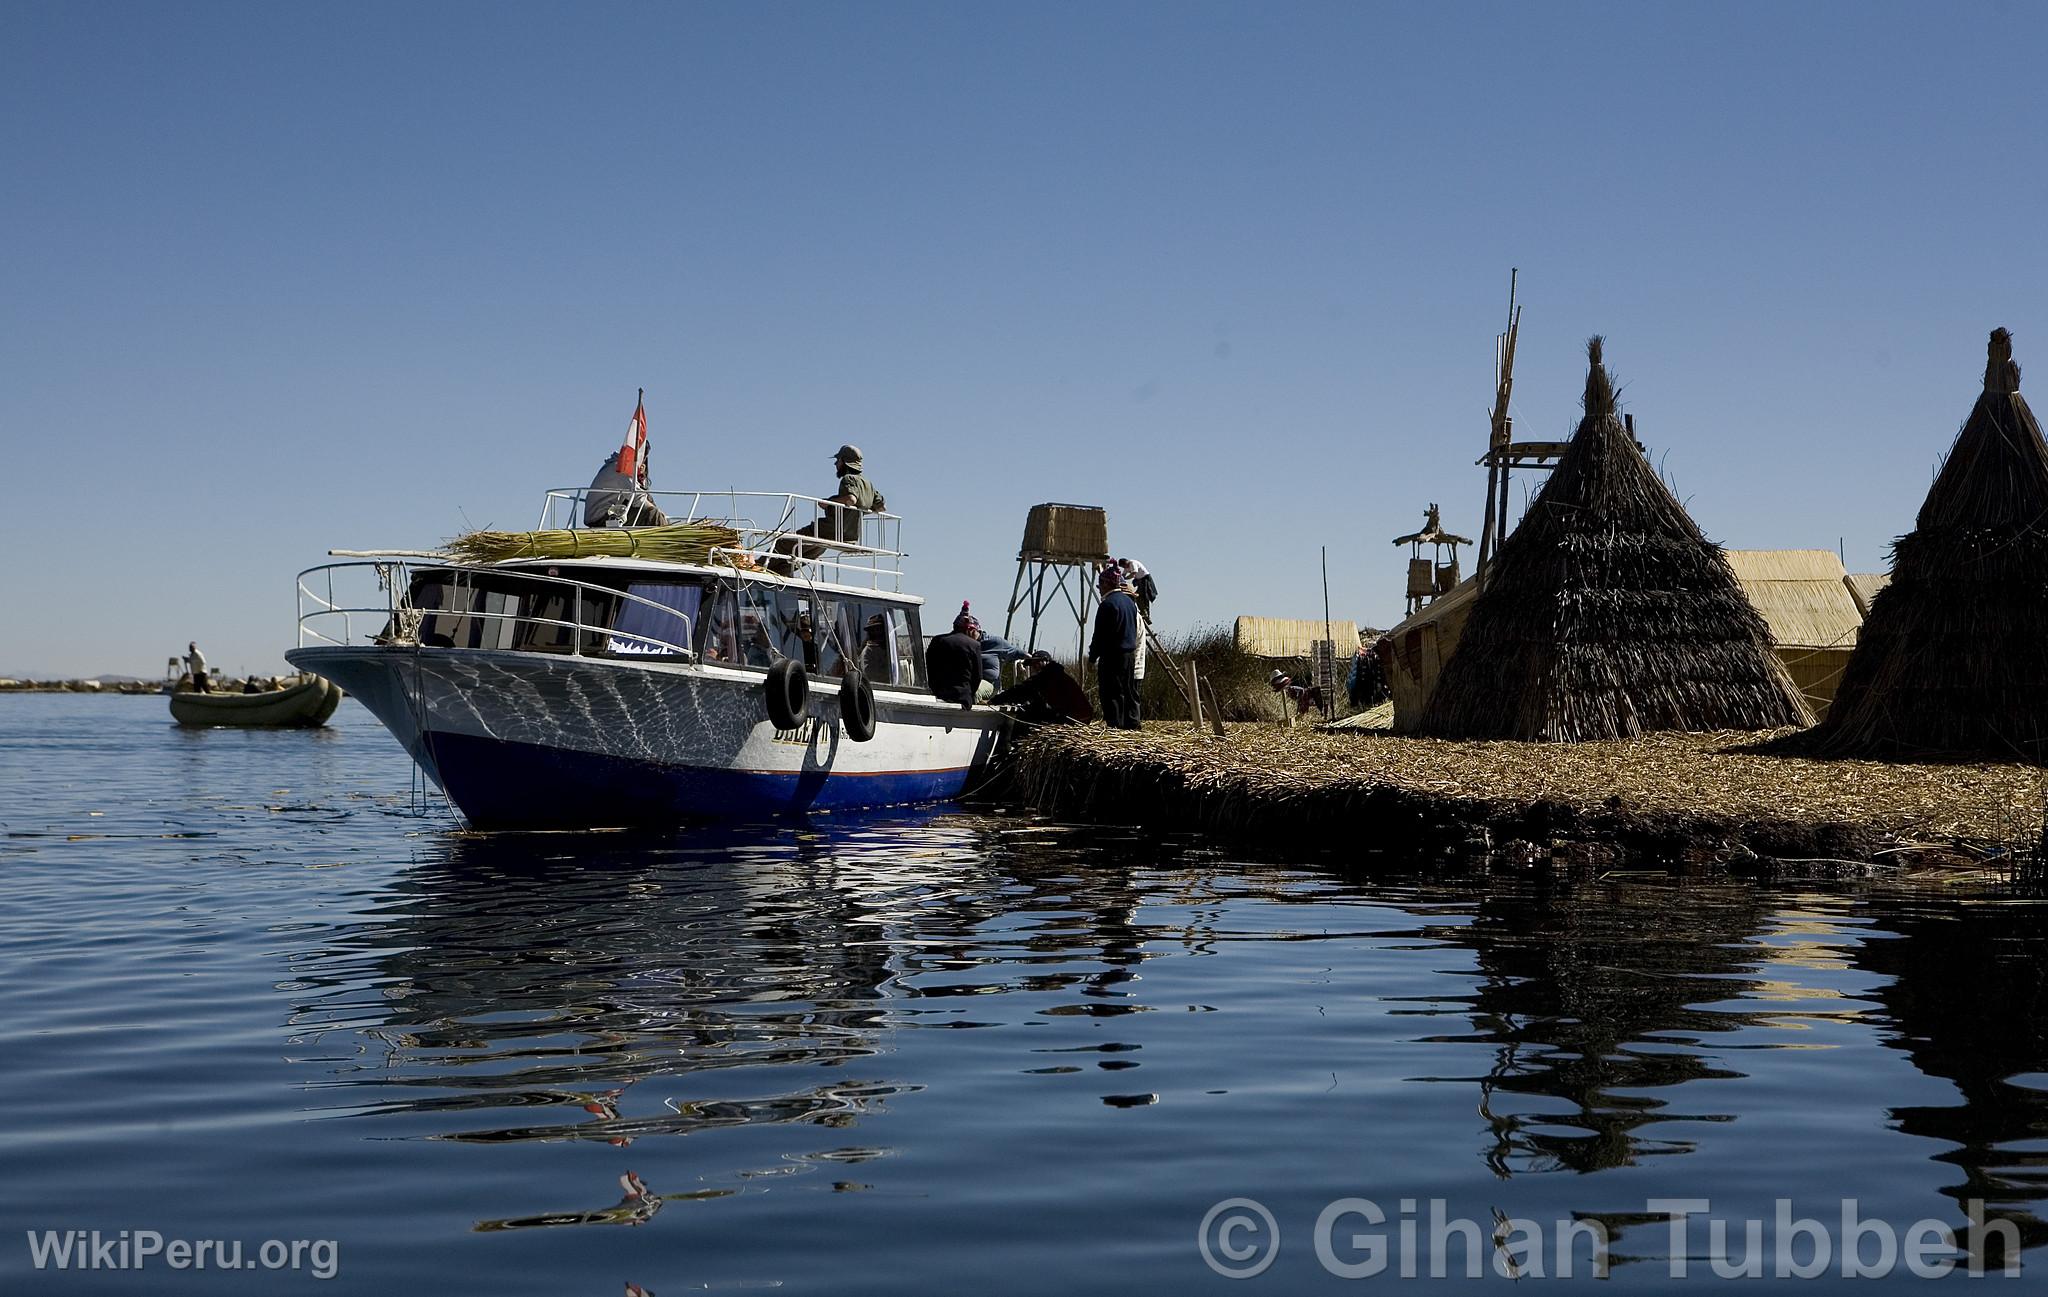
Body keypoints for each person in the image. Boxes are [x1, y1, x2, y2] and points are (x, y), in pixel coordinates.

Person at [769, 445, 887, 575]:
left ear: (844, 462)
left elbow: (851, 499)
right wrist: (863, 506)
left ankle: (758, 565)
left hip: (830, 530)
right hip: (850, 535)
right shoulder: (867, 484)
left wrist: (828, 503)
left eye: (838, 460)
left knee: (785, 543)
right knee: (808, 552)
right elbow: (881, 507)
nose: (836, 464)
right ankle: (778, 572)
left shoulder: (849, 479)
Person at [585, 393, 668, 528]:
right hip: (601, 518)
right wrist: (661, 515)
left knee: (652, 510)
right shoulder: (621, 469)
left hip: (609, 513)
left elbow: (643, 495)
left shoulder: (619, 466)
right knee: (654, 515)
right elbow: (639, 500)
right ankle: (670, 544)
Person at [1088, 567, 1141, 729]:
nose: (1099, 589)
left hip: (1112, 655)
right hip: (1129, 655)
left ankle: (1115, 724)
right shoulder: (1130, 603)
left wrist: (1092, 658)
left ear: (1106, 584)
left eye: (1100, 585)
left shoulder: (1107, 605)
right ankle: (1132, 722)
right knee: (1129, 690)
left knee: (1111, 692)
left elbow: (1099, 636)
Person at [990, 651, 1094, 725]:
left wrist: (996, 700)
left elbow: (1020, 690)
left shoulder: (1049, 676)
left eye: (1036, 663)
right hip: (1077, 715)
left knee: (1027, 716)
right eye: (1032, 665)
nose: (1034, 667)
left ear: (1046, 661)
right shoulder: (1056, 674)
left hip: (1075, 717)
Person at [925, 601, 982, 706]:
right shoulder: (974, 645)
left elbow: (929, 668)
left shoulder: (937, 640)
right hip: (962, 697)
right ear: (969, 629)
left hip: (938, 694)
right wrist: (969, 694)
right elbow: (977, 677)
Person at [976, 628, 1030, 703]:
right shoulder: (960, 642)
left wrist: (1036, 659)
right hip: (965, 680)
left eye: (969, 629)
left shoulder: (995, 642)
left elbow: (1017, 652)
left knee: (974, 690)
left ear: (977, 630)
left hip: (988, 683)